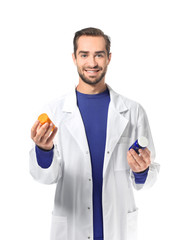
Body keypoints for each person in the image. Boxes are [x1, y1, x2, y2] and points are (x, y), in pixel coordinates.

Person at [29, 27, 160, 240]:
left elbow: (148, 178)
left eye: (99, 55)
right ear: (74, 58)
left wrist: (142, 170)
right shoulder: (55, 112)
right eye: (84, 55)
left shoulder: (133, 111)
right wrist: (44, 150)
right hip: (71, 227)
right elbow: (46, 177)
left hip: (117, 227)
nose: (92, 63)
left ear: (109, 58)